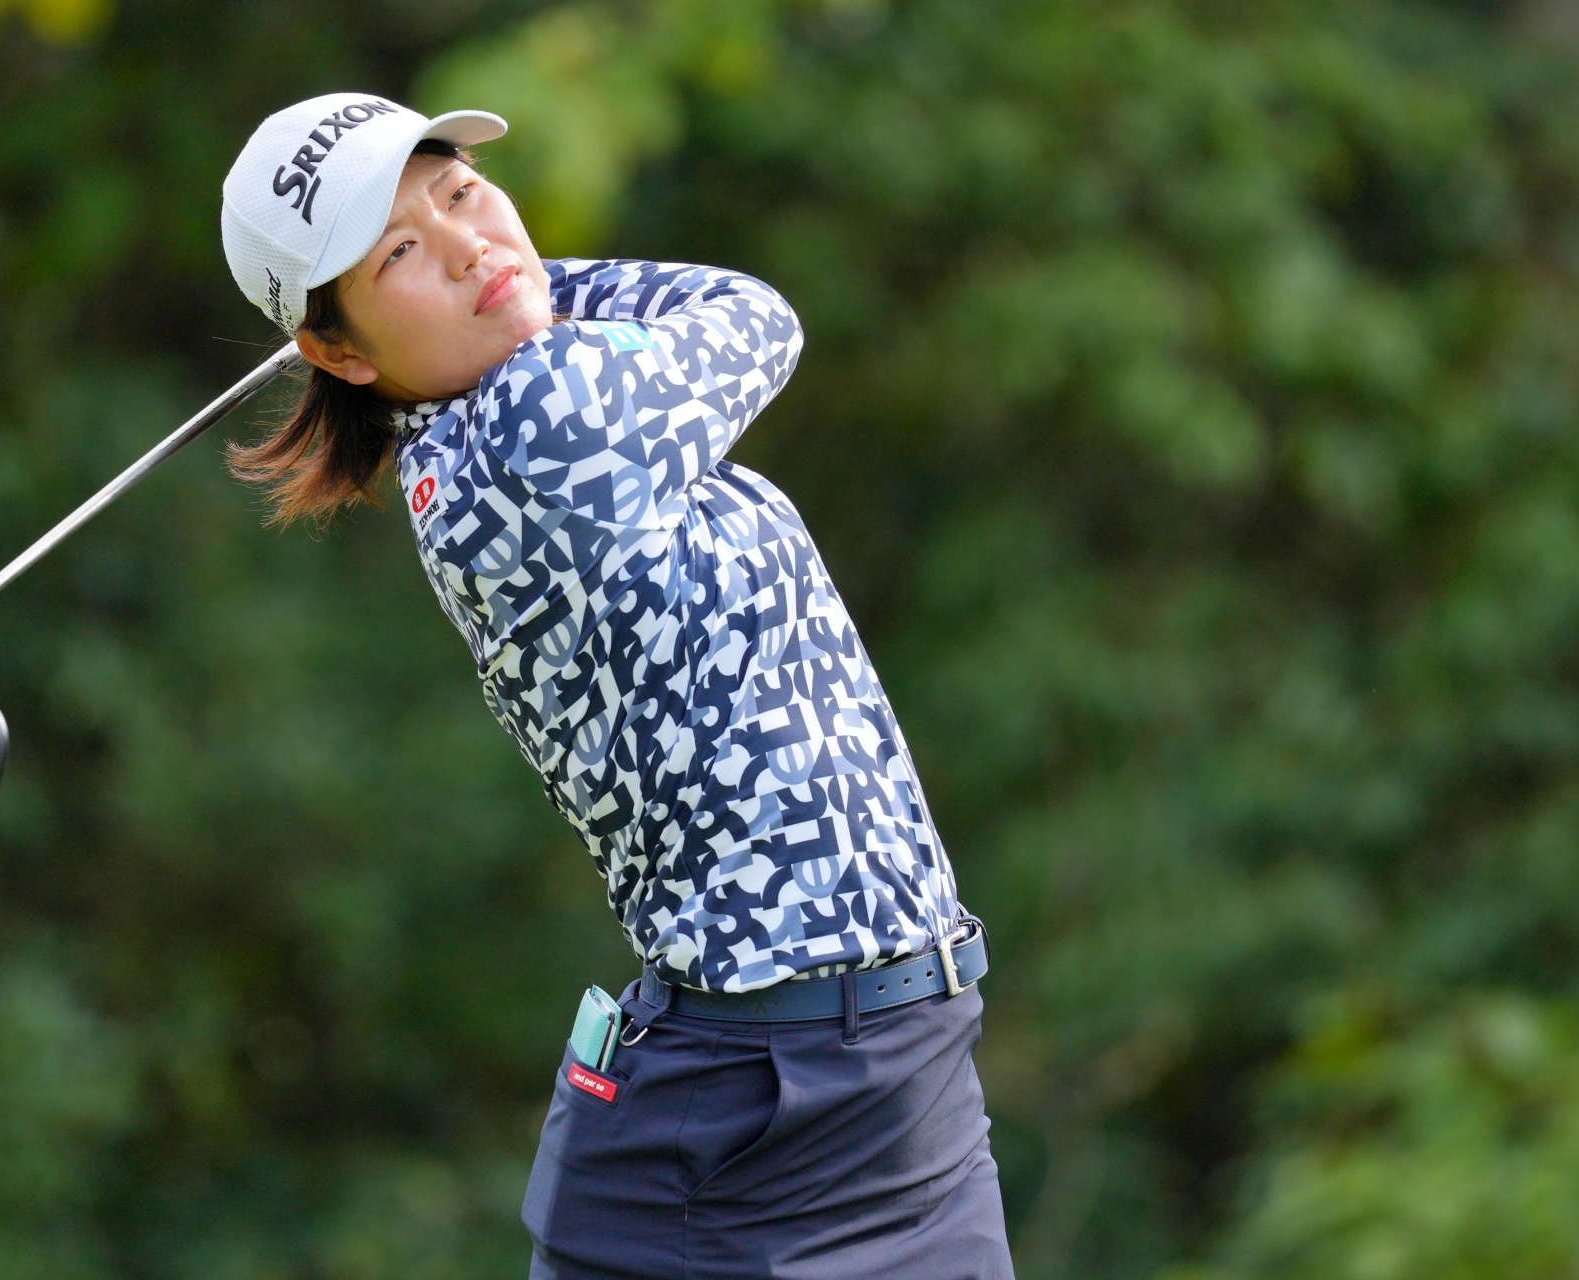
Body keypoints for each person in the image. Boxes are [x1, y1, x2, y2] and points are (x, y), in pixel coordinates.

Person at [220, 92, 1015, 1280]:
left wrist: (496, 284)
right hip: (750, 1134)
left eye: (463, 194)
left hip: (895, 1084)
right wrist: (527, 285)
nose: (469, 244)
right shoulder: (541, 423)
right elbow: (754, 314)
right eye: (400, 254)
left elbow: (582, 306)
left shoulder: (494, 421)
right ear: (338, 352)